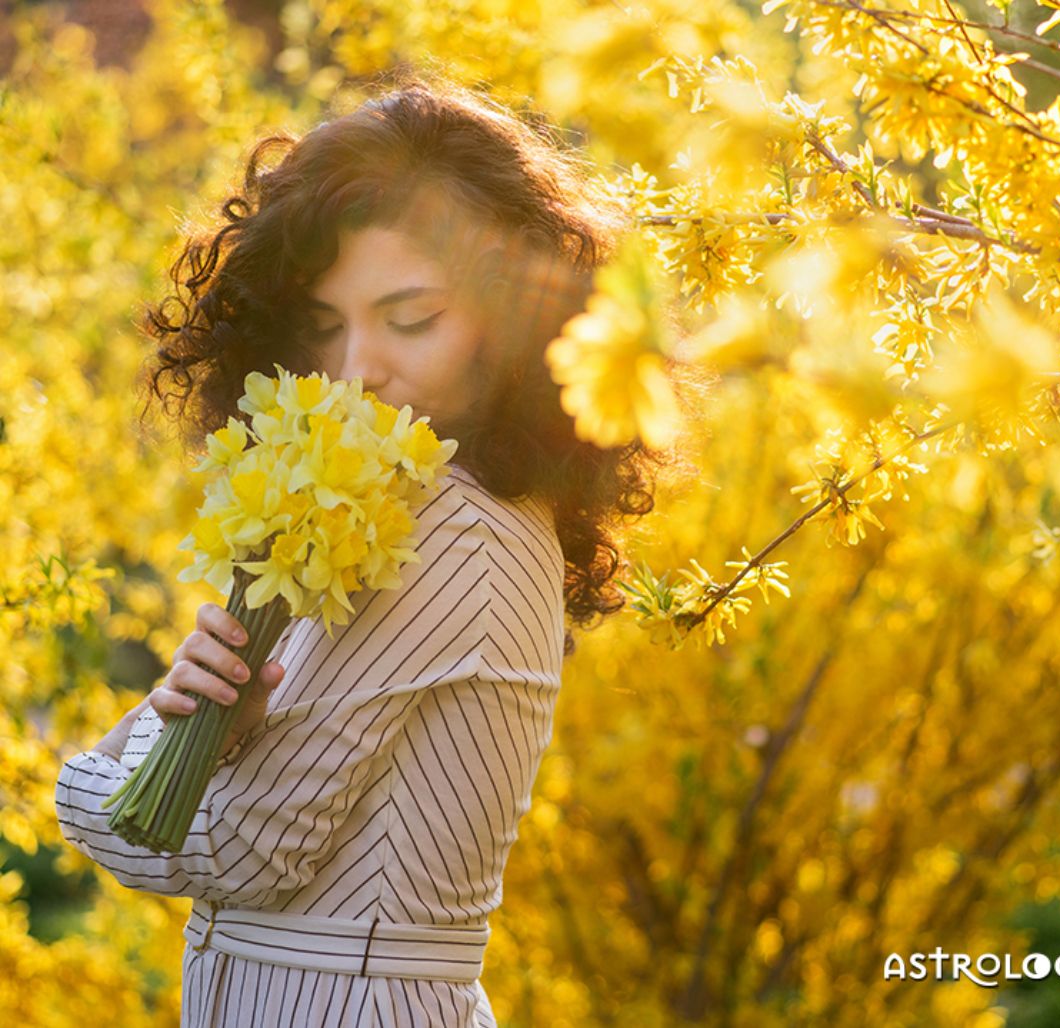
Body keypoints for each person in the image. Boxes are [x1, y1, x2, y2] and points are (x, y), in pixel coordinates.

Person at [54, 70, 682, 1027]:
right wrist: (209, 725)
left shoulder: (449, 528)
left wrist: (87, 781)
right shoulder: (402, 510)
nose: (358, 372)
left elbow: (240, 850)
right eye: (323, 326)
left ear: (511, 321)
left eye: (410, 319)